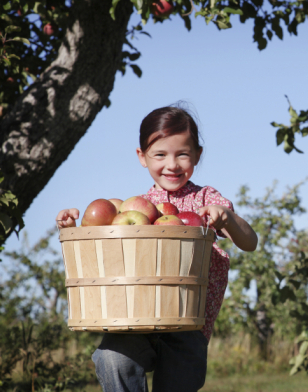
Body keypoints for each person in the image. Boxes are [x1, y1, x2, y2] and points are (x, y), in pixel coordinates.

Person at [55, 104, 258, 391]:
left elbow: (250, 242)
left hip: (188, 325)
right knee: (112, 358)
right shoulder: (137, 207)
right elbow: (109, 249)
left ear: (198, 155)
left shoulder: (206, 200)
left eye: (182, 154)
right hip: (137, 320)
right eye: (160, 155)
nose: (172, 164)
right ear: (142, 157)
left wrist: (228, 219)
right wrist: (74, 226)